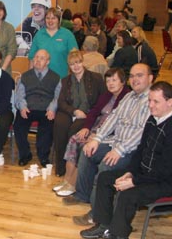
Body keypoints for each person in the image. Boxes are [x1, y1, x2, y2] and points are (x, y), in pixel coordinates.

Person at [80, 81, 172, 239]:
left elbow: (165, 170)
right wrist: (130, 172)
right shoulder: (153, 119)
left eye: (156, 102)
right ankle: (104, 225)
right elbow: (140, 151)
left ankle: (120, 238)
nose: (150, 105)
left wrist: (133, 181)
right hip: (147, 174)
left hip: (169, 181)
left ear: (170, 102)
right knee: (105, 178)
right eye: (149, 101)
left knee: (128, 194)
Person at [66, 64, 153, 226]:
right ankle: (83, 195)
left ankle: (97, 213)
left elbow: (143, 132)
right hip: (116, 142)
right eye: (132, 76)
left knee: (106, 166)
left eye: (139, 75)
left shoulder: (152, 100)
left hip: (132, 151)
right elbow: (112, 118)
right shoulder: (129, 97)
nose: (135, 79)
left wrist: (119, 150)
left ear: (150, 78)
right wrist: (96, 140)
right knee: (87, 151)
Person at [54, 68, 130, 197]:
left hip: (110, 134)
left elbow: (119, 124)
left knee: (85, 146)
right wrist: (86, 128)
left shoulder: (126, 97)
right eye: (108, 81)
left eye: (114, 80)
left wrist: (97, 137)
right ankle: (66, 180)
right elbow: (94, 112)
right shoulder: (107, 95)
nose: (110, 83)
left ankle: (74, 184)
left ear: (123, 82)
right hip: (97, 129)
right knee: (74, 139)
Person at [53, 50, 106, 176]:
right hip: (69, 111)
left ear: (83, 62)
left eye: (78, 62)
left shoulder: (96, 78)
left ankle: (72, 167)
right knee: (60, 126)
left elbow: (103, 99)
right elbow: (61, 102)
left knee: (73, 131)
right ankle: (60, 166)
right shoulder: (65, 80)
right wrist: (74, 111)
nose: (76, 66)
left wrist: (88, 114)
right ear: (69, 66)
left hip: (88, 113)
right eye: (72, 64)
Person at [14, 49, 60, 167]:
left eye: (42, 58)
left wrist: (52, 108)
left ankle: (43, 156)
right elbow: (19, 94)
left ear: (48, 61)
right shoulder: (25, 76)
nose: (38, 60)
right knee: (19, 125)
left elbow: (57, 96)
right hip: (28, 108)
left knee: (48, 126)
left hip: (46, 109)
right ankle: (25, 154)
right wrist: (22, 107)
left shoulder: (55, 77)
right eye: (36, 57)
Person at [29, 8, 78, 78]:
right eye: (47, 18)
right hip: (41, 79)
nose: (50, 21)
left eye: (53, 18)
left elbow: (75, 57)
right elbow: (32, 58)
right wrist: (30, 78)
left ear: (59, 20)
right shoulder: (39, 35)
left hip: (62, 78)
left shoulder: (67, 35)